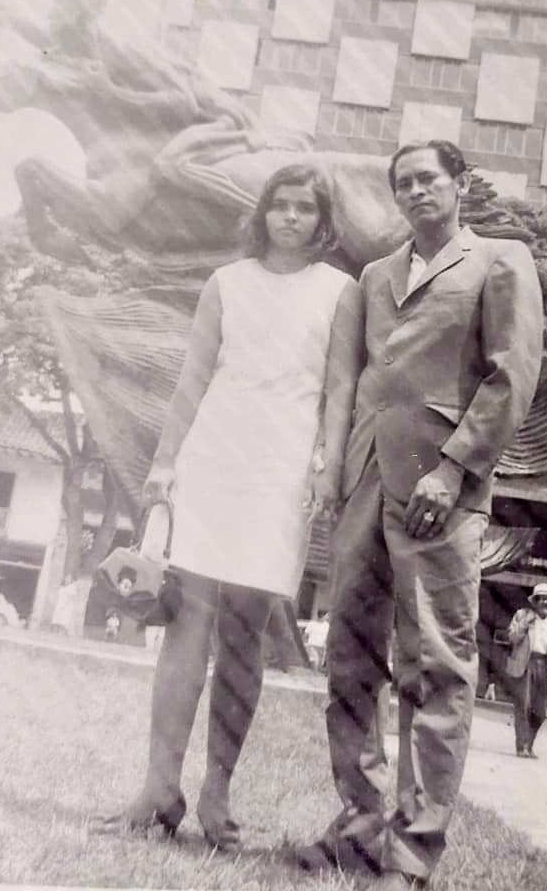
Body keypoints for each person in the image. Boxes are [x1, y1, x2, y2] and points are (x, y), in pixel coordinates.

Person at [298, 140, 544, 887]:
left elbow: (512, 375)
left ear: (459, 184)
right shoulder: (372, 278)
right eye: (402, 184)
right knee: (348, 656)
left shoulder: (500, 262)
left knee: (435, 664)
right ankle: (359, 823)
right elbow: (358, 382)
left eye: (427, 179)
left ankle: (412, 850)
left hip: (442, 491)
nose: (414, 193)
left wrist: (455, 465)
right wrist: (335, 474)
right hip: (366, 483)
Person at [100, 163, 363, 850]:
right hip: (212, 456)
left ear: (322, 219)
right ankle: (158, 789)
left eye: (304, 208)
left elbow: (339, 390)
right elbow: (192, 377)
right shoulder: (226, 283)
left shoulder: (341, 291)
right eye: (279, 206)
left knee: (246, 632)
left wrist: (326, 470)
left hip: (279, 469)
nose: (290, 218)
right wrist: (163, 463)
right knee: (186, 622)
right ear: (262, 214)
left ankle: (217, 798)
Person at [506, 582, 547, 756]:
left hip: (544, 668)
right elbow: (512, 637)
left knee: (540, 710)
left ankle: (529, 745)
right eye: (541, 599)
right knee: (522, 707)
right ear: (534, 601)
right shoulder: (521, 615)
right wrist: (524, 623)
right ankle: (521, 746)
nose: (544, 602)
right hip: (525, 665)